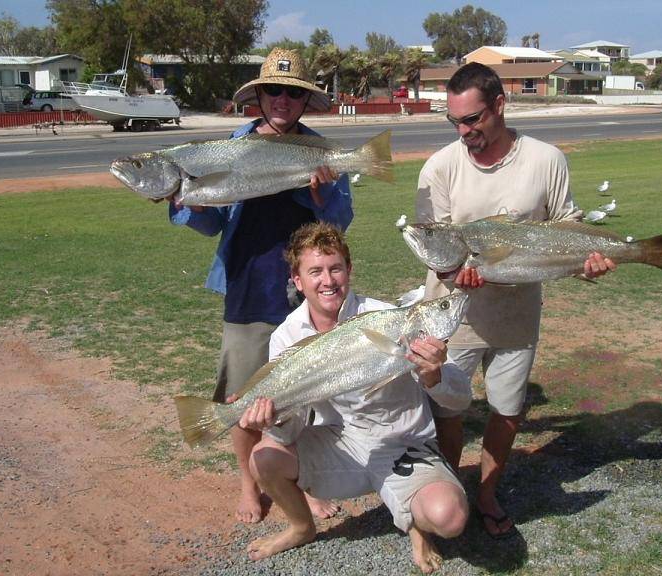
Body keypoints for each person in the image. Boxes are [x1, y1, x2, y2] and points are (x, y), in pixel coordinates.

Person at [415, 62, 615, 539]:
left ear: (500, 105)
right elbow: (433, 243)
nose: (463, 132)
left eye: (472, 119)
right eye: (454, 122)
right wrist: (452, 273)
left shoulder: (547, 160)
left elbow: (566, 226)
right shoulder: (440, 167)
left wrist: (587, 262)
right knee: (448, 411)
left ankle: (486, 494)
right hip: (454, 314)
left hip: (517, 314)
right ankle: (450, 492)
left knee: (506, 409)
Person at [169, 48, 353, 524]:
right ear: (259, 96)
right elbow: (211, 225)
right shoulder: (231, 146)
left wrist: (322, 196)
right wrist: (193, 204)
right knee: (242, 396)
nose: (282, 99)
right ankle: (249, 485)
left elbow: (341, 222)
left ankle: (306, 482)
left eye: (293, 92)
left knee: (306, 392)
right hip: (247, 289)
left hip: (307, 293)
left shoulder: (321, 152)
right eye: (274, 90)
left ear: (305, 100)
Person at [239, 222, 471, 574]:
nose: (327, 281)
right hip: (343, 445)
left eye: (335, 268)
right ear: (297, 280)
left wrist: (434, 376)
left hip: (402, 444)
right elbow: (289, 431)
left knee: (449, 517)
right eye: (315, 271)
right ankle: (301, 528)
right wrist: (275, 419)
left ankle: (417, 524)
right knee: (264, 457)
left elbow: (461, 398)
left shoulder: (389, 317)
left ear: (349, 270)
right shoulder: (287, 336)